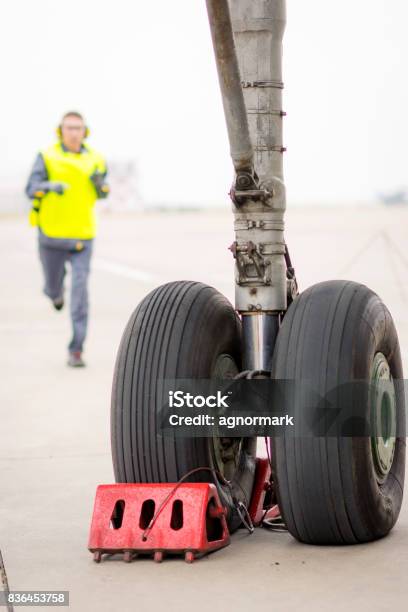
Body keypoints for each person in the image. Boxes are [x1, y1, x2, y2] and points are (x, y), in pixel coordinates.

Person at [25, 111, 109, 367]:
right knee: (53, 288)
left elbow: (103, 192)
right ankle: (54, 293)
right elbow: (31, 189)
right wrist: (50, 187)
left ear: (86, 131)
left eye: (79, 128)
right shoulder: (47, 156)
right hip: (51, 235)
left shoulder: (96, 159)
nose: (74, 132)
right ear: (60, 131)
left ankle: (76, 349)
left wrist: (100, 186)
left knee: (80, 292)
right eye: (69, 128)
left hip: (83, 237)